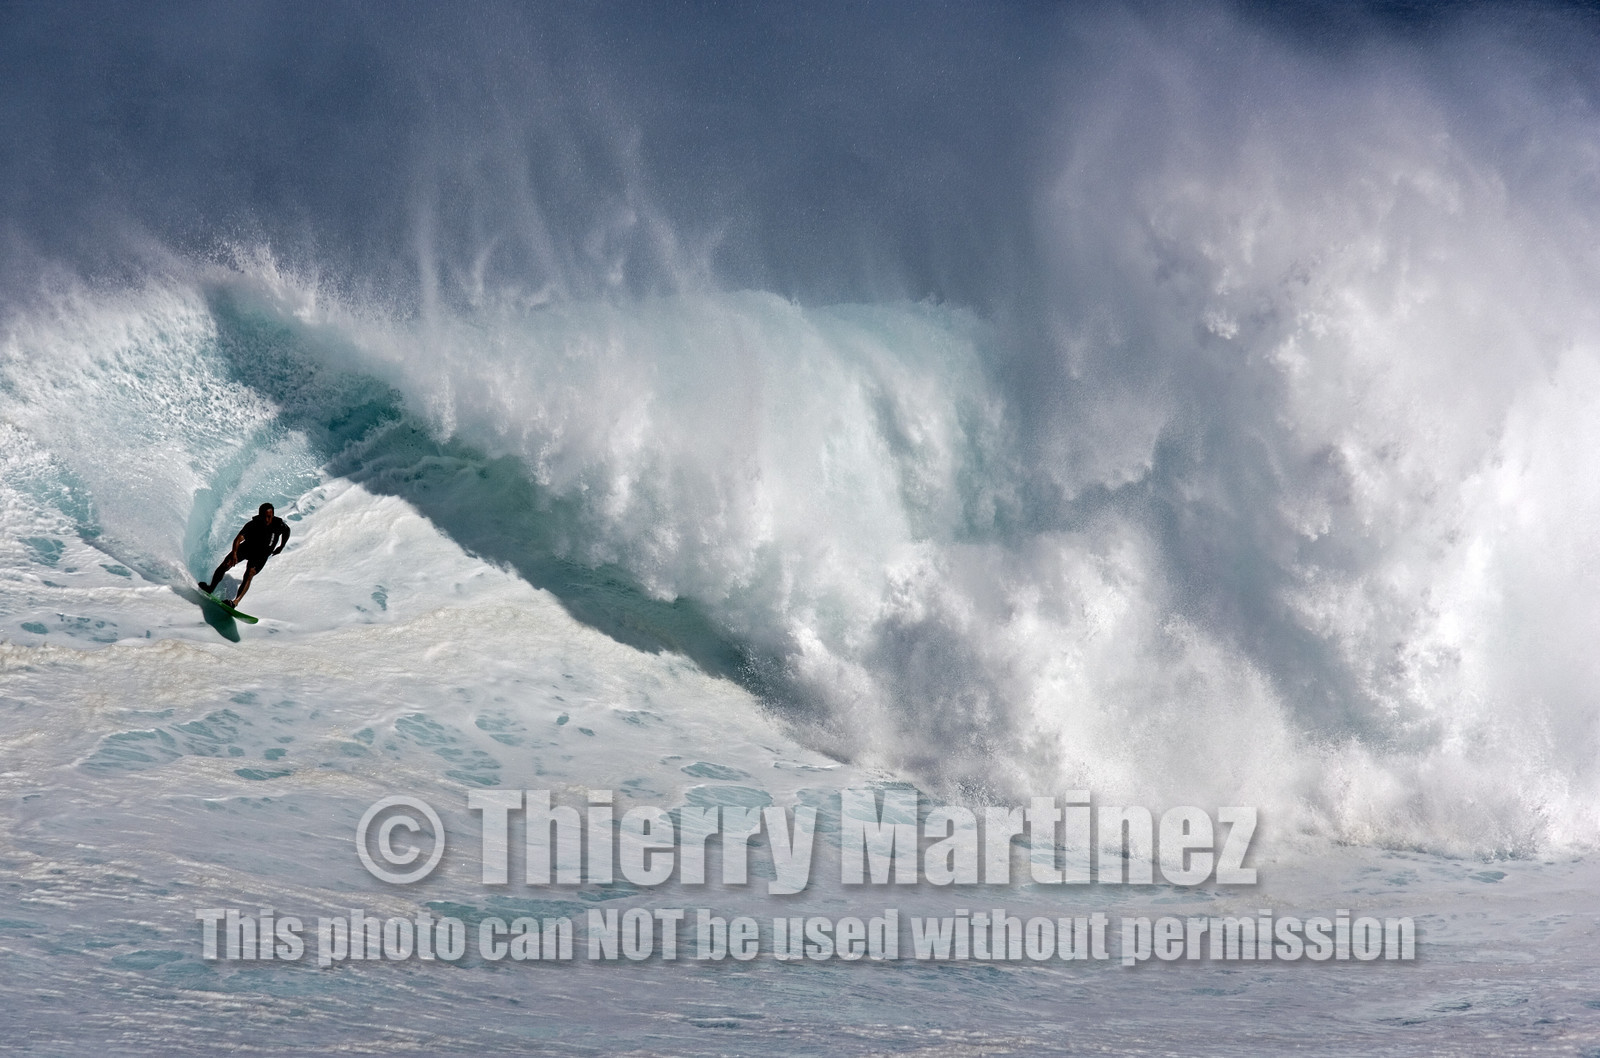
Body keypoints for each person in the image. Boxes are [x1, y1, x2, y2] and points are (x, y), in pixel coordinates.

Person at [201, 503, 291, 607]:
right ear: (259, 515)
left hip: (261, 555)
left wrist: (281, 546)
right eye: (264, 516)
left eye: (269, 517)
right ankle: (210, 588)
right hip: (247, 548)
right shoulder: (252, 524)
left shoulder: (278, 524)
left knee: (249, 573)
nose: (266, 519)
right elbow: (238, 539)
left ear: (273, 515)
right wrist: (234, 553)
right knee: (226, 564)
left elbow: (287, 531)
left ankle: (235, 602)